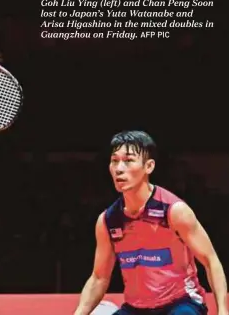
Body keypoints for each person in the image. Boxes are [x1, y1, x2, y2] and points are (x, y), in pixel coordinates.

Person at [74, 130, 227, 315]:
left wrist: (223, 311)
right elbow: (99, 277)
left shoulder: (174, 211)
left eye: (128, 160)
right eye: (114, 160)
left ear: (149, 166)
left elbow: (211, 261)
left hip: (180, 304)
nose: (119, 168)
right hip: (136, 309)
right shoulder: (108, 220)